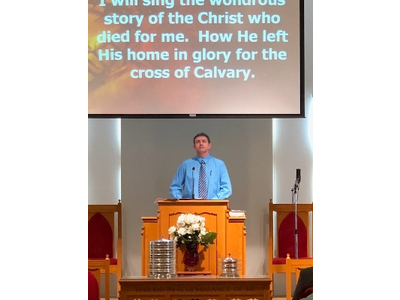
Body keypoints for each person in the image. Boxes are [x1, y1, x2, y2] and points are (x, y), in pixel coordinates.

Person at [169, 132, 232, 199]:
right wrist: (180, 200)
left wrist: (214, 201)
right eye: (198, 142)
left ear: (209, 145)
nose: (201, 143)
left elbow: (226, 188)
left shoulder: (219, 164)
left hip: (213, 206)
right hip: (190, 207)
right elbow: (174, 187)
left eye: (204, 141)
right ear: (194, 146)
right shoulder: (186, 165)